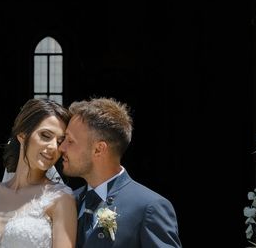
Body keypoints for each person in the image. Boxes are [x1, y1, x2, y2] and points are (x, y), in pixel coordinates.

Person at [60, 97, 181, 248]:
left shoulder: (149, 207)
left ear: (99, 149)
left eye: (70, 141)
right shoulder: (68, 201)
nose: (61, 148)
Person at [0, 98, 78, 248]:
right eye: (45, 135)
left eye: (60, 141)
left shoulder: (60, 198)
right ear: (22, 135)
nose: (54, 147)